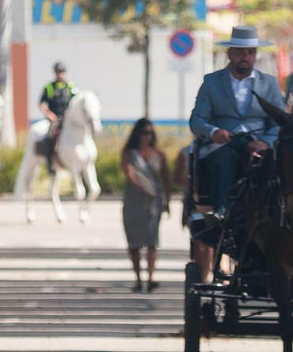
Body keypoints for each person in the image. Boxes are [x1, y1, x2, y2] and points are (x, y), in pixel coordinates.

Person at [187, 26, 284, 282]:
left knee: (272, 167)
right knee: (221, 161)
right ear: (230, 53)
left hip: (258, 144)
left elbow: (280, 121)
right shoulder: (211, 82)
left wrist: (265, 141)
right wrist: (213, 131)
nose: (246, 57)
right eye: (240, 52)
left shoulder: (269, 84)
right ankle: (222, 216)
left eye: (250, 52)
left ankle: (274, 216)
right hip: (223, 143)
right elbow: (196, 120)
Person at [121, 119, 170, 293]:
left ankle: (150, 279)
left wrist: (167, 201)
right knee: (134, 242)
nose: (147, 136)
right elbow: (129, 172)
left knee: (151, 241)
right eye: (144, 132)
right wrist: (142, 187)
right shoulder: (129, 152)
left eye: (150, 133)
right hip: (134, 201)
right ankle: (138, 279)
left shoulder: (159, 154)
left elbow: (165, 178)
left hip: (153, 203)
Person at [38, 63, 76, 172]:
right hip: (55, 119)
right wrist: (50, 114)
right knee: (50, 137)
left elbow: (76, 101)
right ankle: (50, 163)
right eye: (58, 72)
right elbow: (42, 103)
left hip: (67, 119)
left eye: (62, 72)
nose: (60, 74)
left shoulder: (70, 86)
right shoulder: (49, 87)